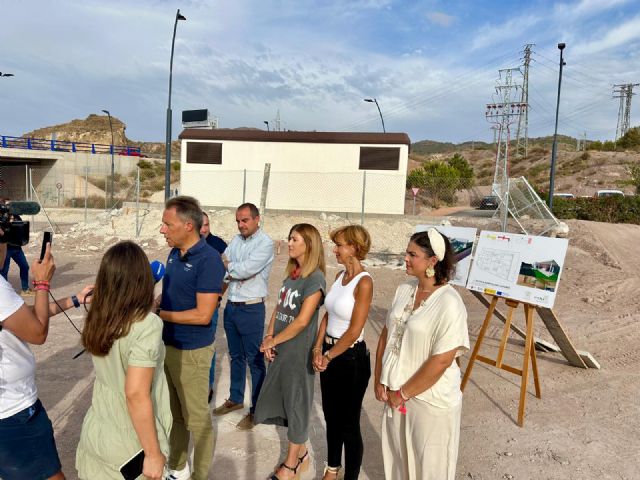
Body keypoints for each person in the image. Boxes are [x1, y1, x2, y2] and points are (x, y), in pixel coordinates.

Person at [374, 229, 469, 480]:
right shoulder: (404, 289)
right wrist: (379, 379)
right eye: (407, 252)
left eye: (412, 254)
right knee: (398, 461)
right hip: (395, 393)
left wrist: (402, 393)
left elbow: (442, 360)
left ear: (432, 261)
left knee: (429, 467)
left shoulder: (450, 303)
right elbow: (386, 335)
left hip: (429, 401)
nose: (405, 258)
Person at [76, 241, 172, 480]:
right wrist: (152, 453)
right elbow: (136, 393)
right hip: (132, 441)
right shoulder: (147, 325)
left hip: (98, 429)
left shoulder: (99, 316)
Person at [0, 232, 92, 480]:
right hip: (14, 413)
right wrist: (42, 284)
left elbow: (21, 318)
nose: (6, 248)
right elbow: (37, 332)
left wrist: (75, 300)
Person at [158, 196, 225, 480]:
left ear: (188, 226)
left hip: (193, 353)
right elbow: (174, 296)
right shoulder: (175, 253)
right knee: (176, 417)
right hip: (170, 346)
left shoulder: (209, 260)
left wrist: (160, 314)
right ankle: (176, 468)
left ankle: (199, 475)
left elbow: (203, 315)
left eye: (166, 224)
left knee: (198, 422)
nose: (162, 229)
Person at [254, 223, 326, 480]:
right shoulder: (292, 274)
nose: (289, 243)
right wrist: (270, 337)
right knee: (285, 403)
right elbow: (279, 309)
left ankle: (292, 464)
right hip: (281, 348)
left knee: (297, 405)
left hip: (298, 354)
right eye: (289, 238)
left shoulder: (315, 279)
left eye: (295, 239)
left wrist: (273, 343)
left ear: (309, 244)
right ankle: (302, 453)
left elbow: (303, 321)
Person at [312, 225, 373, 480]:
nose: (335, 250)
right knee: (331, 417)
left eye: (340, 245)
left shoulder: (365, 282)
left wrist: (328, 355)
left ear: (355, 248)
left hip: (351, 358)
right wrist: (318, 348)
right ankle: (332, 470)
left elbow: (354, 329)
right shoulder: (339, 276)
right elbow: (328, 314)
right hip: (330, 352)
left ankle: (352, 476)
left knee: (349, 424)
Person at [213, 203, 274, 431]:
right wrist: (232, 269)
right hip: (232, 307)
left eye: (245, 220)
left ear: (257, 219)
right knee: (235, 356)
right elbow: (228, 269)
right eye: (238, 221)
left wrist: (232, 266)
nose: (241, 225)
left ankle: (257, 409)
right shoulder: (236, 240)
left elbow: (244, 270)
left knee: (255, 360)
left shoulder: (265, 244)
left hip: (251, 309)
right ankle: (235, 398)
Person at [200, 211, 228, 403]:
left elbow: (229, 273)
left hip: (211, 307)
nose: (204, 229)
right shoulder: (186, 245)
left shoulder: (219, 245)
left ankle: (207, 387)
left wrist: (218, 296)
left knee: (208, 346)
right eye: (201, 225)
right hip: (190, 307)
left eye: (207, 225)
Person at [0, 198, 33, 296]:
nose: (10, 207)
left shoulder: (17, 217)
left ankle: (25, 289)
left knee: (24, 266)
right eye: (7, 205)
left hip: (17, 248)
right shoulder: (1, 218)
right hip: (6, 248)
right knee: (4, 270)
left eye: (11, 205)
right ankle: (4, 293)